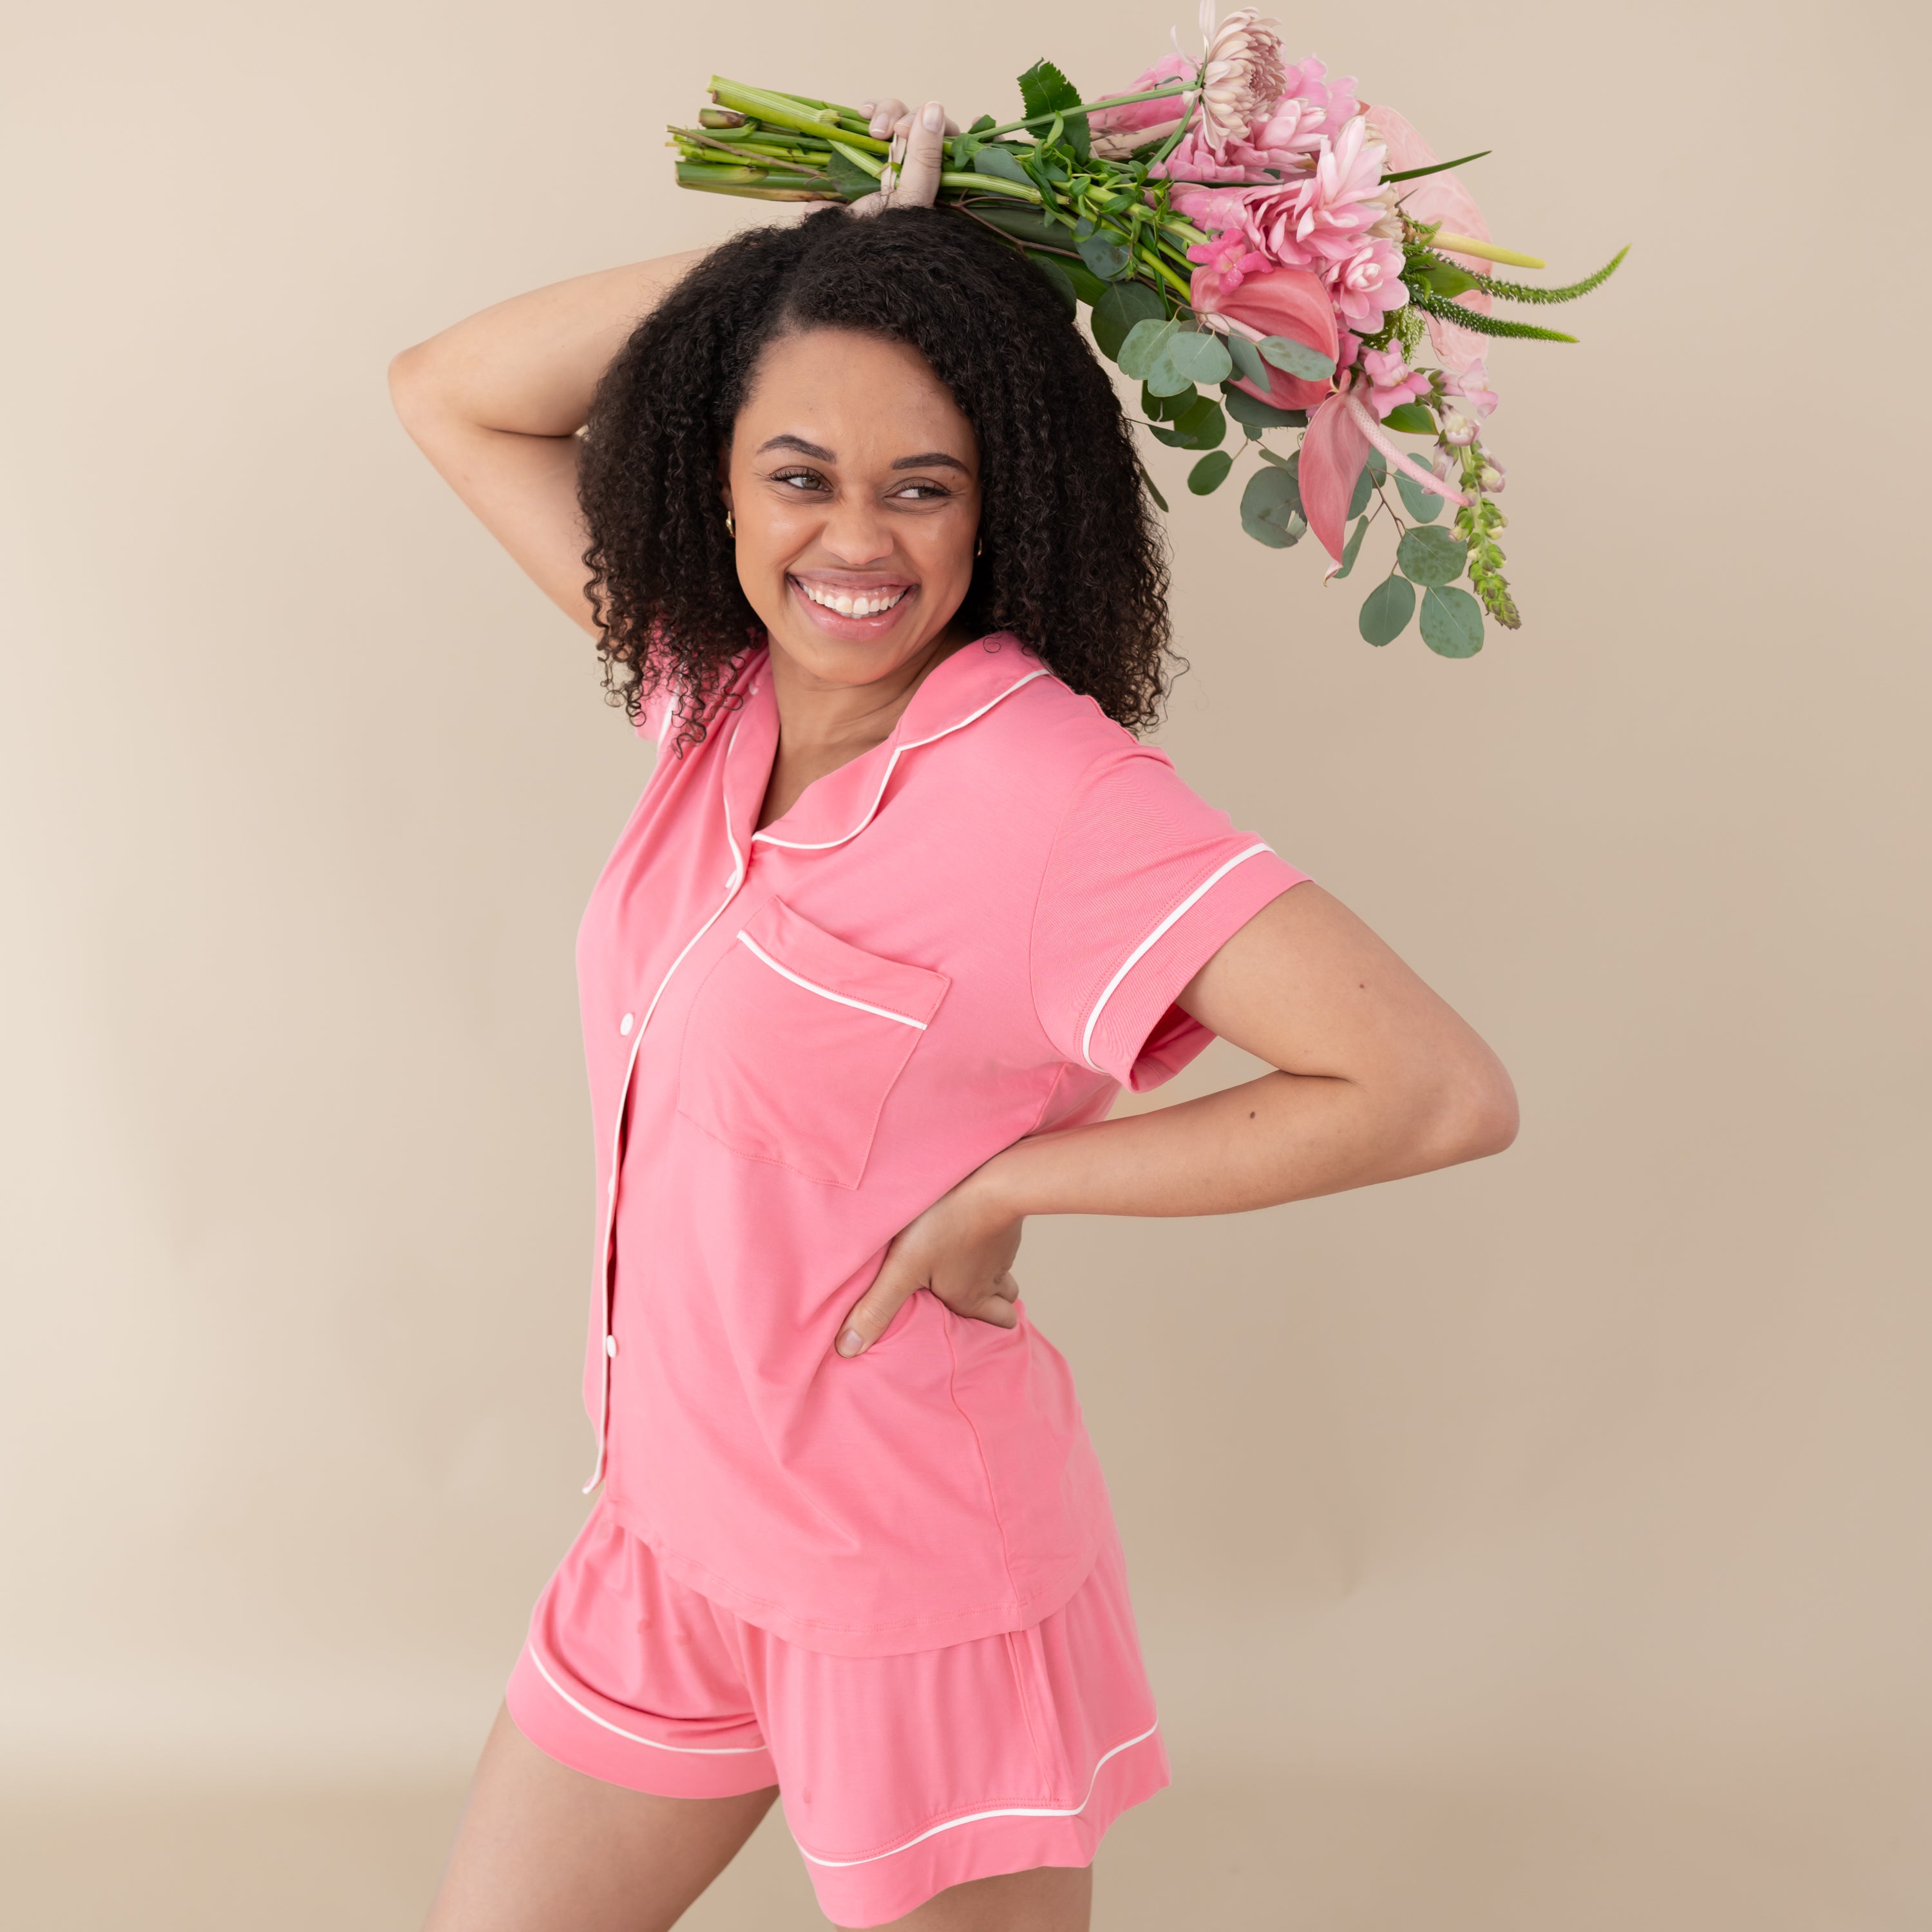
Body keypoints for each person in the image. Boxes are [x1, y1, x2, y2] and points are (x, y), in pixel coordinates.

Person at [388, 95, 1517, 1932]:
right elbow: (452, 388)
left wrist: (1018, 1191)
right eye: (798, 470)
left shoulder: (1052, 802)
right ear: (717, 472)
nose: (860, 538)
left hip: (909, 1581)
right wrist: (818, 272)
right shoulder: (710, 698)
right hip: (669, 1530)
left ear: (1003, 502)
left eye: (925, 482)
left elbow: (1433, 1089)